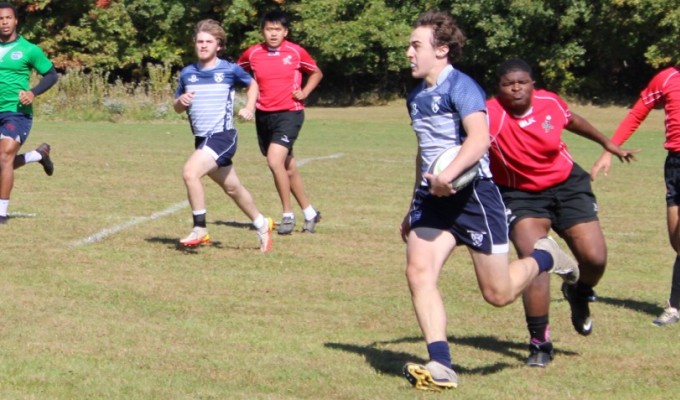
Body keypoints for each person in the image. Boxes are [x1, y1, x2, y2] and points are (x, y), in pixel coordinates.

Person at [399, 12, 579, 391]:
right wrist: (415, 199)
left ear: (442, 50)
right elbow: (425, 151)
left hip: (474, 197)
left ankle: (547, 256)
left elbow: (479, 140)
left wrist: (449, 177)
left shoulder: (462, 87)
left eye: (416, 45)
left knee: (497, 294)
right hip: (434, 199)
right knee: (419, 272)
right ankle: (442, 365)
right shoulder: (415, 94)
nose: (409, 52)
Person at [486, 59, 636, 367]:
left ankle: (579, 292)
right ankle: (540, 343)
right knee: (535, 263)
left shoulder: (549, 102)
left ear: (533, 84)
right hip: (520, 195)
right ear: (498, 89)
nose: (516, 88)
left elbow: (573, 120)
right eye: (507, 83)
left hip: (567, 185)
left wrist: (608, 143)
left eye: (522, 82)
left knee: (595, 259)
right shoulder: (488, 115)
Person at [174, 19, 273, 253]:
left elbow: (253, 84)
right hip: (202, 139)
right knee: (233, 188)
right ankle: (261, 224)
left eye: (209, 41)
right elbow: (177, 107)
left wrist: (250, 107)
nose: (204, 45)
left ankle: (200, 229)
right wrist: (180, 101)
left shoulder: (229, 69)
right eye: (200, 41)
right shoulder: (187, 73)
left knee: (190, 172)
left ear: (219, 45)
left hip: (222, 136)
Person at [592, 65, 680, 326]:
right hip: (674, 165)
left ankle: (674, 307)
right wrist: (609, 150)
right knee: (676, 241)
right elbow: (636, 115)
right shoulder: (667, 78)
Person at [237, 10, 322, 235]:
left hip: (290, 113)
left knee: (275, 162)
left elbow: (316, 73)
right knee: (288, 166)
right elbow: (239, 74)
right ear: (262, 31)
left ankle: (287, 215)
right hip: (264, 115)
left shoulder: (295, 51)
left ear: (285, 32)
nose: (273, 34)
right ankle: (311, 212)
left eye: (277, 30)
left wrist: (304, 92)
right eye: (269, 29)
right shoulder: (253, 53)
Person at [0, 2, 57, 224]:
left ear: (16, 21)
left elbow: (51, 75)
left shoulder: (29, 50)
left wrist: (33, 93)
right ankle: (38, 155)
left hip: (17, 113)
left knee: (5, 157)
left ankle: (1, 212)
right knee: (2, 161)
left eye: (7, 18)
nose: (4, 22)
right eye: (0, 19)